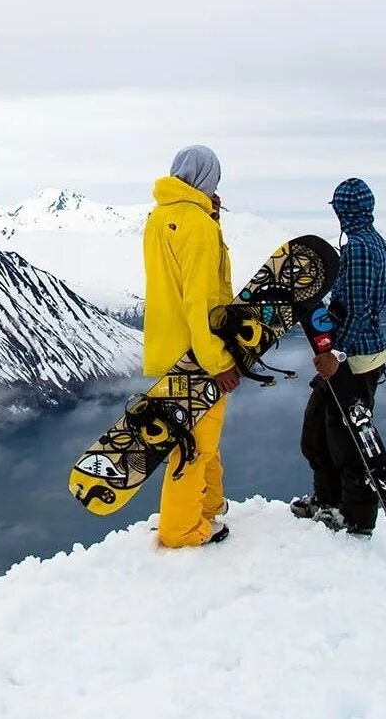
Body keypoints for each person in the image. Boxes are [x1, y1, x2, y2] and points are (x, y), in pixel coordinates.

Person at [142, 145, 241, 547]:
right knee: (195, 445)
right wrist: (217, 360)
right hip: (199, 353)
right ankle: (181, 530)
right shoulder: (197, 224)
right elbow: (199, 300)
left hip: (167, 348)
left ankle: (208, 507)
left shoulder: (158, 217)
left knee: (197, 436)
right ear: (208, 179)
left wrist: (210, 217)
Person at [291, 177, 386, 537]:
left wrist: (335, 353)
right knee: (317, 432)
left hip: (356, 359)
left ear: (343, 210)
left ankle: (356, 518)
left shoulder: (362, 248)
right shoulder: (365, 242)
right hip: (350, 355)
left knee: (347, 442)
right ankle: (328, 501)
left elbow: (359, 309)